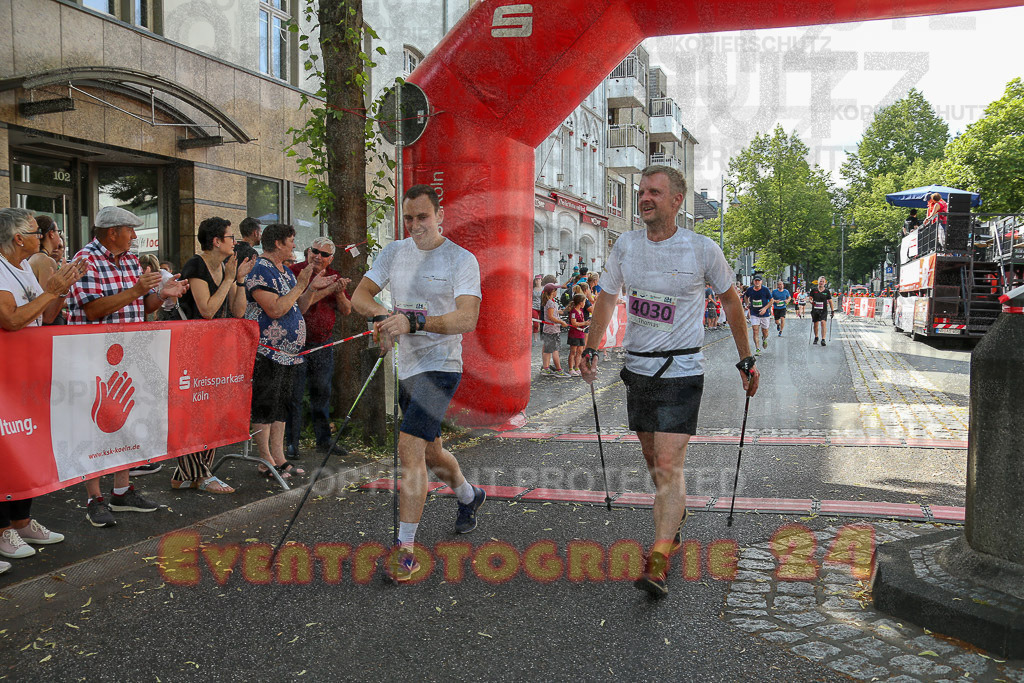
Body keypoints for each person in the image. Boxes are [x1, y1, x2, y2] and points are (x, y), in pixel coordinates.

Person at [580, 165, 759, 598]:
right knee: (651, 457)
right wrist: (590, 346)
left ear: (677, 200)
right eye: (641, 191)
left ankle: (658, 558)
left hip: (682, 370)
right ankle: (673, 522)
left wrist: (746, 357)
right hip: (638, 369)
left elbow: (732, 304)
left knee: (667, 463)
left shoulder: (701, 250)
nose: (644, 198)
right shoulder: (625, 246)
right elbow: (605, 299)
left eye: (654, 192)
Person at [351, 184, 484, 583]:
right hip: (407, 367)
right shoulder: (394, 252)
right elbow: (360, 295)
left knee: (409, 448)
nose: (414, 225)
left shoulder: (461, 259)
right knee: (431, 453)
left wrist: (417, 322)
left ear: (440, 216)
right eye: (408, 218)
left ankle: (404, 552)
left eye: (422, 217)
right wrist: (382, 317)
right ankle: (468, 495)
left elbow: (467, 319)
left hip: (442, 365)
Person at [67, 206, 188, 526]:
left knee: (123, 422)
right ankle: (94, 498)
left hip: (127, 354)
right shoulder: (84, 260)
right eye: (130, 230)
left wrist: (163, 294)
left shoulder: (131, 261)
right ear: (111, 233)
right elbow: (92, 310)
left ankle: (121, 492)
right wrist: (136, 290)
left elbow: (141, 307)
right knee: (92, 428)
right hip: (91, 357)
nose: (135, 237)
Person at [0, 208, 87, 571]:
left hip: (27, 374)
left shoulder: (23, 267)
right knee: (8, 450)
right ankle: (4, 528)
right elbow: (11, 320)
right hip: (6, 375)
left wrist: (61, 292)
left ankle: (20, 522)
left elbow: (44, 316)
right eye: (37, 232)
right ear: (18, 238)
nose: (44, 236)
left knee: (28, 447)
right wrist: (50, 290)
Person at [245, 223, 335, 482]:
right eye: (291, 241)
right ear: (278, 244)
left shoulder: (283, 270)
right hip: (266, 350)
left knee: (281, 406)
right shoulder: (260, 269)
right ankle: (264, 460)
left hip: (287, 354)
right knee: (265, 405)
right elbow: (274, 309)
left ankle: (278, 456)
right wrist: (301, 285)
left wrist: (311, 287)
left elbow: (299, 307)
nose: (295, 246)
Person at [170, 217, 254, 494]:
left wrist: (239, 280)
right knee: (195, 411)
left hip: (216, 349)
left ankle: (186, 473)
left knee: (213, 411)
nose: (235, 242)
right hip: (192, 349)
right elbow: (206, 309)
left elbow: (238, 311)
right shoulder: (196, 265)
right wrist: (229, 278)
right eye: (231, 237)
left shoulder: (225, 267)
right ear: (216, 241)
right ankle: (200, 474)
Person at [285, 236, 352, 457]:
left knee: (322, 393)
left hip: (322, 342)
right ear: (308, 251)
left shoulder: (335, 275)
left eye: (324, 254)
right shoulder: (295, 271)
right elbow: (298, 305)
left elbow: (346, 310)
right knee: (294, 395)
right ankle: (291, 443)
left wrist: (339, 291)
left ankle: (324, 441)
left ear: (330, 258)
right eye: (315, 251)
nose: (318, 256)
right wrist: (326, 289)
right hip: (295, 344)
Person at [539, 282, 570, 377]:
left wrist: (560, 311)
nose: (557, 292)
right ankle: (558, 370)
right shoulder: (551, 303)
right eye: (556, 290)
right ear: (553, 292)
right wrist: (561, 322)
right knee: (555, 350)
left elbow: (552, 314)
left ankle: (546, 368)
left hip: (548, 330)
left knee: (547, 350)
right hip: (553, 330)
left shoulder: (549, 302)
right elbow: (551, 317)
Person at [743, 275, 772, 354]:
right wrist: (747, 303)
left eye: (758, 281)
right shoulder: (750, 290)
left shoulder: (765, 290)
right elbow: (745, 296)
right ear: (753, 281)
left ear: (761, 282)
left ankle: (764, 338)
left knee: (765, 331)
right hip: (754, 313)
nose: (757, 282)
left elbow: (771, 300)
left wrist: (765, 308)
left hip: (764, 314)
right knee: (755, 331)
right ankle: (757, 348)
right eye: (755, 281)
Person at [809, 276, 835, 346]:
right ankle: (816, 337)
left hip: (823, 310)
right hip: (815, 309)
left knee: (823, 323)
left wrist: (832, 310)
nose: (821, 283)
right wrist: (811, 302)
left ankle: (823, 339)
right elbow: (810, 298)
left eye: (823, 281)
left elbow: (830, 301)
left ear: (825, 283)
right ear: (818, 282)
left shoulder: (827, 291)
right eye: (820, 281)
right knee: (816, 324)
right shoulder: (814, 290)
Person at [566, 293, 587, 376]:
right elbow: (574, 323)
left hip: (581, 333)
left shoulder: (581, 311)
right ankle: (571, 368)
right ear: (580, 302)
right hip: (574, 334)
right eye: (584, 302)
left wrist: (586, 323)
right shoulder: (574, 311)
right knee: (573, 351)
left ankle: (577, 367)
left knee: (580, 351)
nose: (585, 304)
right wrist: (584, 322)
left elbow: (582, 321)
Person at [531, 274, 543, 344]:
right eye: (536, 279)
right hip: (534, 307)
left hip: (541, 307)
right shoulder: (532, 289)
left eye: (539, 279)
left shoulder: (544, 289)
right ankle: (535, 338)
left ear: (541, 280)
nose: (537, 281)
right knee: (535, 323)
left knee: (542, 322)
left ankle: (542, 336)